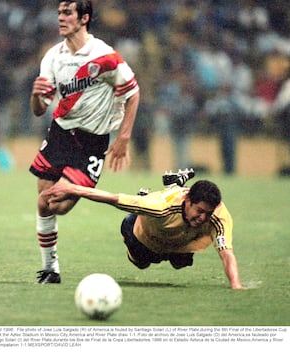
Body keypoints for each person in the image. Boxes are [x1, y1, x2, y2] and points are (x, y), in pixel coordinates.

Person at [29, 0, 140, 284]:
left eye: (67, 13)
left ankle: (74, 187)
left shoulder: (105, 56)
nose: (61, 18)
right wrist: (36, 96)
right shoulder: (53, 57)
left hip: (92, 143)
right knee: (43, 200)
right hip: (60, 134)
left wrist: (124, 136)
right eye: (59, 14)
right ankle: (50, 270)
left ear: (84, 18)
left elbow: (133, 92)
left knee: (60, 205)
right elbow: (39, 108)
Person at [42, 169, 245, 290]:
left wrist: (236, 285)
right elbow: (112, 198)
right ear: (188, 200)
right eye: (199, 211)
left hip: (178, 243)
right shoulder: (161, 207)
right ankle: (153, 195)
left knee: (180, 264)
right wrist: (71, 188)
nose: (203, 218)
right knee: (140, 263)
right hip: (144, 234)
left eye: (207, 214)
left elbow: (227, 253)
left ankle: (173, 184)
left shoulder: (218, 216)